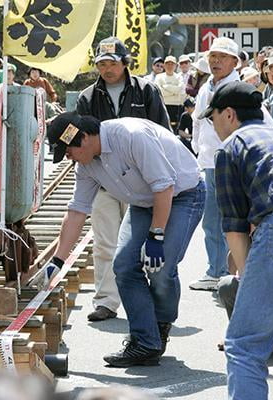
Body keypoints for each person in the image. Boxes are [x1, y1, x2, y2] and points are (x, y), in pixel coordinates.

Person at [43, 112, 203, 367]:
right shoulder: (86, 166)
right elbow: (77, 211)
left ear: (83, 139)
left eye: (69, 151)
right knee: (125, 266)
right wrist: (58, 261)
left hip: (182, 195)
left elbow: (164, 187)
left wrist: (156, 235)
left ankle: (159, 325)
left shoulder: (130, 137)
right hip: (143, 203)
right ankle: (145, 342)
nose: (69, 158)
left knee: (160, 266)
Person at [75, 36, 170, 323]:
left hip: (142, 183)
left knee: (141, 244)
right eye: (101, 64)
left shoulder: (146, 91)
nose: (107, 69)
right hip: (105, 179)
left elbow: (163, 133)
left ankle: (147, 301)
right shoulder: (87, 97)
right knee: (104, 243)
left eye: (112, 63)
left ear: (124, 62)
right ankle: (106, 300)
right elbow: (81, 141)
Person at [206, 80, 273, 400]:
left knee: (244, 347)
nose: (213, 127)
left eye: (212, 119)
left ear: (228, 114)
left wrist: (249, 279)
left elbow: (235, 229)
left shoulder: (232, 146)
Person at [189, 37, 241, 291]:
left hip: (232, 161)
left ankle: (225, 271)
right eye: (212, 56)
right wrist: (197, 147)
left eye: (222, 57)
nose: (216, 61)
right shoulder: (205, 87)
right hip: (209, 160)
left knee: (230, 218)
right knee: (211, 219)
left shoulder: (238, 89)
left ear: (235, 62)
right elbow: (197, 122)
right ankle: (217, 269)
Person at [155, 55, 186, 132]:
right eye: (168, 64)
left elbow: (179, 89)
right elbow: (159, 91)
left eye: (172, 64)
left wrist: (165, 86)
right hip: (163, 105)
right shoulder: (159, 77)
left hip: (176, 106)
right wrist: (173, 91)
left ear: (176, 66)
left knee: (174, 128)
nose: (170, 66)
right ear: (164, 65)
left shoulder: (179, 77)